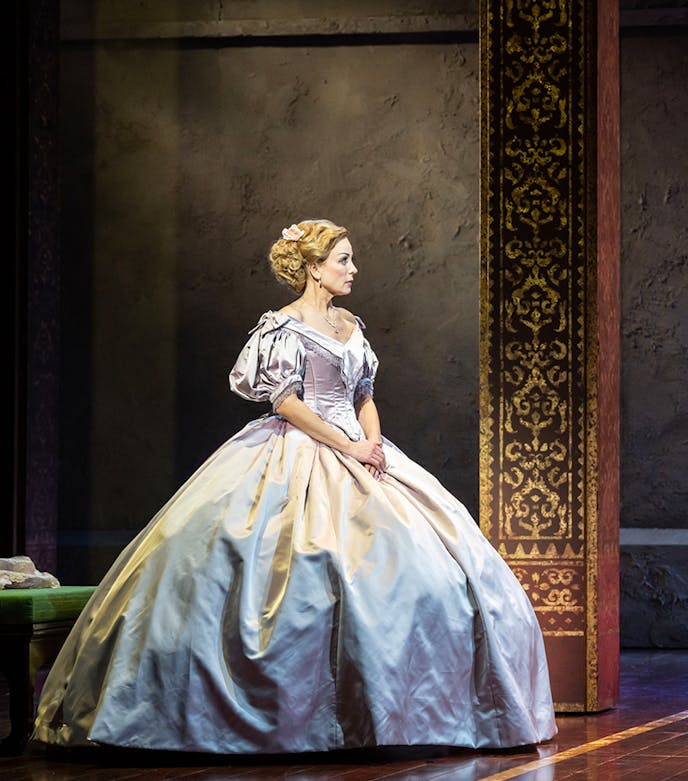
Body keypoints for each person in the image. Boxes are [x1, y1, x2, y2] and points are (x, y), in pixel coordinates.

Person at [33, 219, 557, 753]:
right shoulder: (282, 327)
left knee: (431, 568)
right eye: (343, 260)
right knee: (284, 563)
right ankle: (275, 717)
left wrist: (371, 441)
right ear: (313, 267)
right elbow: (285, 403)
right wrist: (346, 445)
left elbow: (364, 394)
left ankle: (414, 715)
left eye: (351, 259)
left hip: (361, 448)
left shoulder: (350, 323)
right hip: (301, 448)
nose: (353, 269)